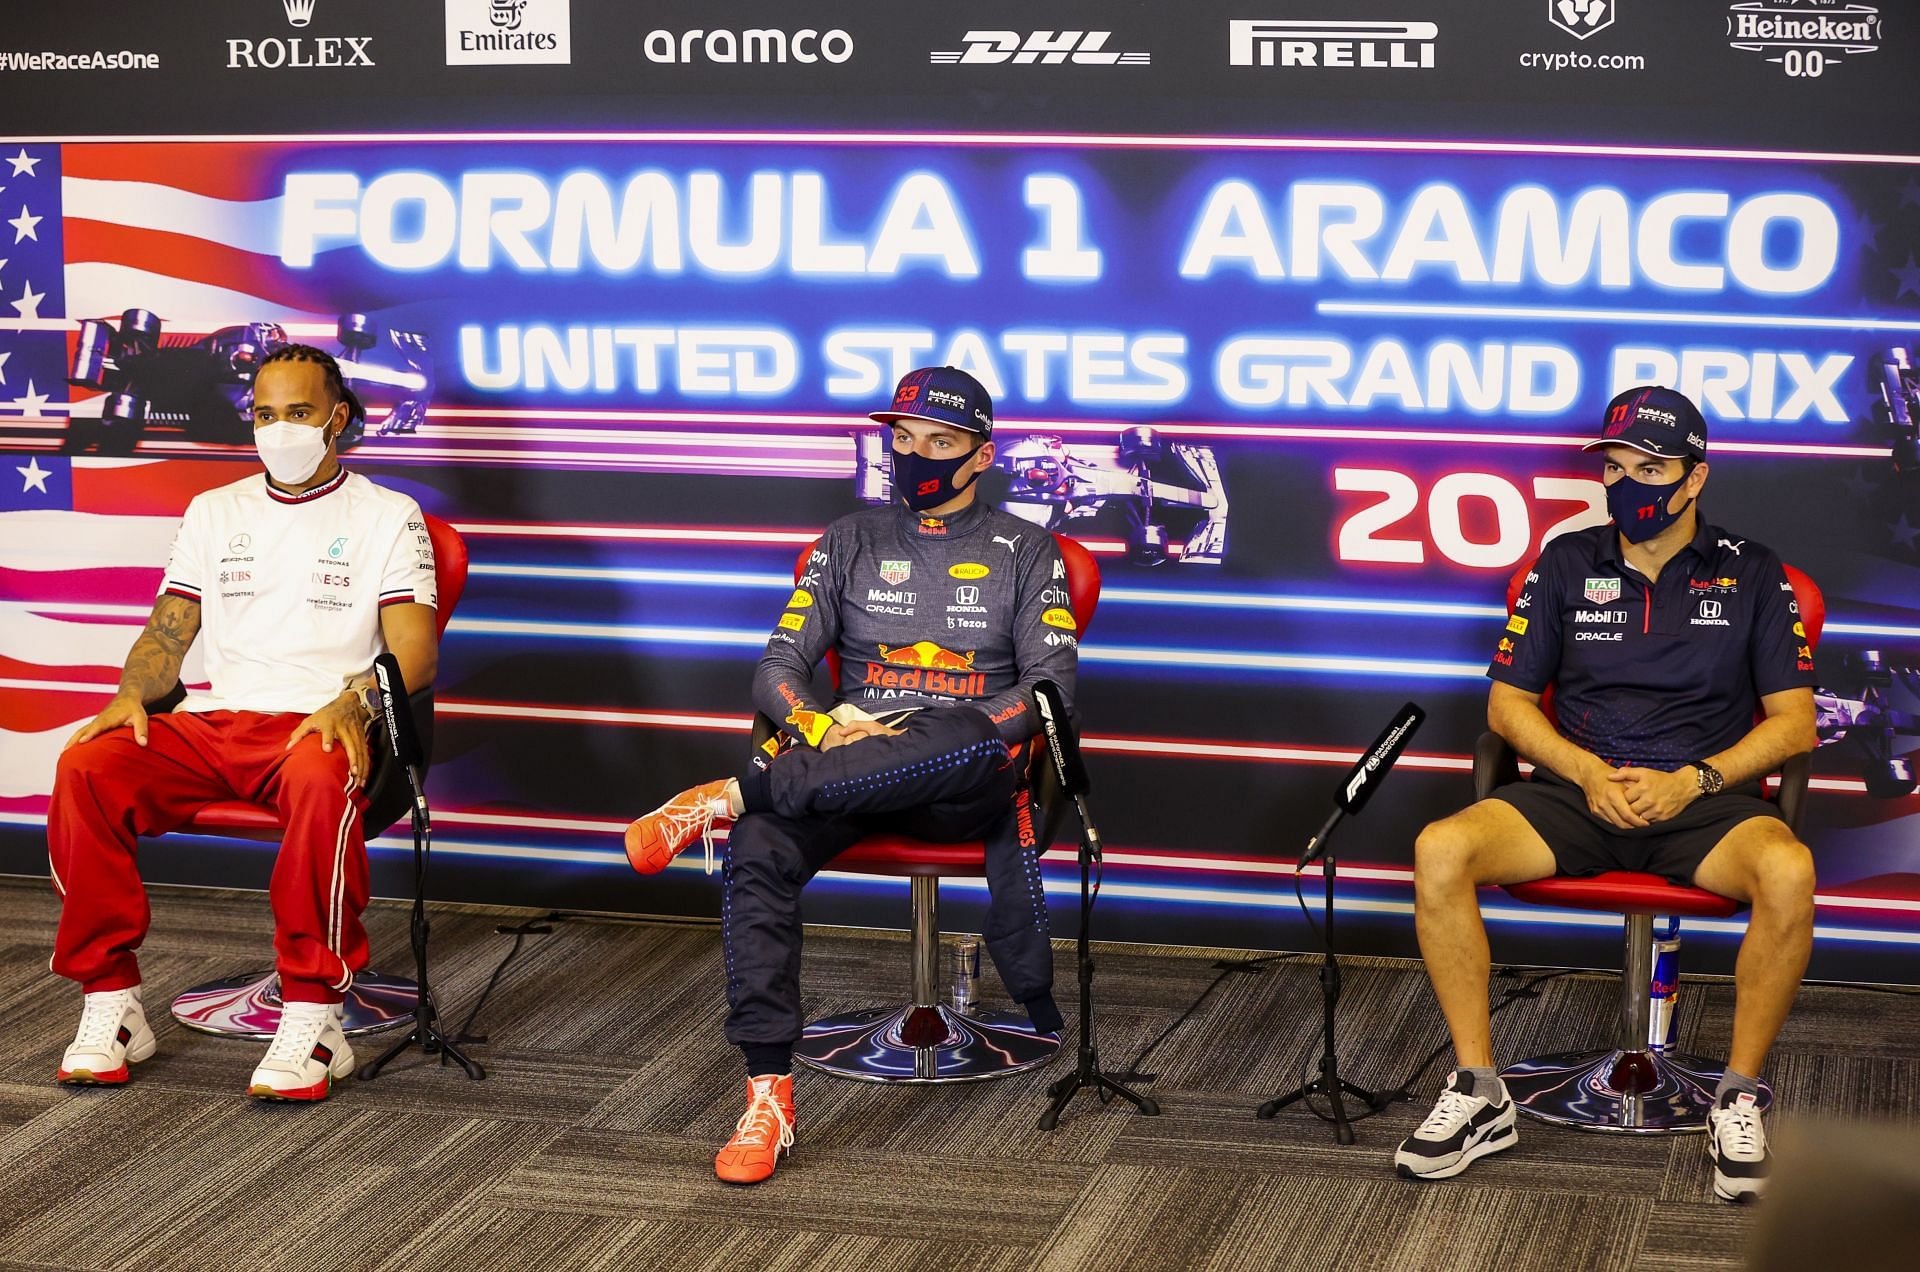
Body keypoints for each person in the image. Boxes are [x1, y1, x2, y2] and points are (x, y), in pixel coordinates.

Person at [624, 366, 1076, 1185]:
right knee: (761, 846)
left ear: (982, 455)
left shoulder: (1027, 549)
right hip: (842, 765)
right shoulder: (848, 540)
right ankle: (767, 1092)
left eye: (940, 442)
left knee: (964, 739)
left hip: (962, 779)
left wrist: (971, 731)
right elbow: (777, 668)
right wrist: (820, 724)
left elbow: (1049, 691)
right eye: (903, 440)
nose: (917, 456)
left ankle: (724, 797)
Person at [1393, 386, 1818, 1203]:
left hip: (1702, 802)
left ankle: (1737, 1094)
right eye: (1615, 467)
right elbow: (1506, 706)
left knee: (1789, 871)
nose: (1629, 486)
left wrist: (1693, 780)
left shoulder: (1753, 572)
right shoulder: (1566, 562)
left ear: (1695, 478)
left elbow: (1794, 725)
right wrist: (1587, 772)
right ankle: (1481, 1091)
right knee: (1439, 847)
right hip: (1577, 794)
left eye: (1650, 469)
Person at [48, 346, 439, 1101]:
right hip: (214, 722)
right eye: (265, 414)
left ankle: (314, 1011)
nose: (280, 429)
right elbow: (168, 633)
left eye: (298, 413)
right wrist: (133, 692)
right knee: (86, 766)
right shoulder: (213, 510)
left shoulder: (389, 516)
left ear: (338, 420)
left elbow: (414, 655)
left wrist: (351, 702)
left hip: (315, 725)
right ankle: (112, 1002)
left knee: (325, 771)